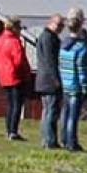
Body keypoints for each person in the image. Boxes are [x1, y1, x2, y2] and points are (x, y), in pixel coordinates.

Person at [56, 12, 87, 152]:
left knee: (64, 113)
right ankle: (72, 142)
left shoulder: (62, 46)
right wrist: (85, 87)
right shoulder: (80, 48)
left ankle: (64, 138)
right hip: (76, 85)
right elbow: (81, 69)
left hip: (65, 83)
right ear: (80, 28)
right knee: (73, 116)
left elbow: (60, 64)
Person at [0, 17, 30, 141]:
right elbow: (19, 60)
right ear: (15, 28)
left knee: (10, 104)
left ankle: (9, 130)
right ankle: (13, 131)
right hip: (16, 76)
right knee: (17, 104)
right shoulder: (14, 42)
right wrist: (22, 71)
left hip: (4, 75)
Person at [33, 14, 64, 149]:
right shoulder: (48, 38)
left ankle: (48, 139)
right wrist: (56, 80)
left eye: (62, 26)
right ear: (51, 22)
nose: (60, 28)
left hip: (44, 79)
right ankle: (49, 140)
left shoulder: (45, 37)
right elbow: (50, 61)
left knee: (47, 111)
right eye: (58, 25)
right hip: (49, 80)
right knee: (50, 111)